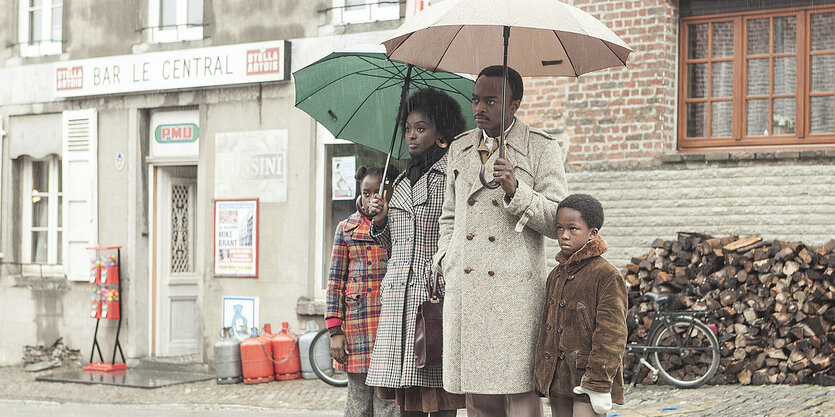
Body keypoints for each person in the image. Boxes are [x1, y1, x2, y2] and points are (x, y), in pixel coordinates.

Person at [432, 65, 568, 417]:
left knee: (520, 397)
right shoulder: (460, 148)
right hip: (468, 290)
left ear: (515, 104)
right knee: (479, 400)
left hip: (514, 295)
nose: (479, 108)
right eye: (476, 99)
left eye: (491, 100)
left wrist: (516, 190)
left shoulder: (540, 148)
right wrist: (447, 256)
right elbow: (449, 216)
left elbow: (557, 221)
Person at [365, 88, 467, 417]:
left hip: (433, 297)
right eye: (408, 128)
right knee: (407, 400)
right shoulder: (400, 181)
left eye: (421, 128)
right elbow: (393, 246)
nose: (411, 135)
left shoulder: (452, 175)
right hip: (397, 299)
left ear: (442, 132)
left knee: (437, 396)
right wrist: (380, 221)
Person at [533, 194, 627, 417]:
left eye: (572, 229)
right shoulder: (556, 275)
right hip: (558, 378)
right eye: (559, 228)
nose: (564, 236)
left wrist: (598, 382)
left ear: (592, 233)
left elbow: (612, 335)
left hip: (588, 380)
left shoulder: (606, 275)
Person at [325, 165, 401, 417]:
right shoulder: (345, 229)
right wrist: (335, 331)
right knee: (357, 404)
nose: (371, 198)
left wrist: (383, 220)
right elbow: (335, 282)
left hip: (389, 328)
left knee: (387, 403)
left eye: (377, 192)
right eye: (366, 193)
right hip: (357, 330)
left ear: (389, 191)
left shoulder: (399, 227)